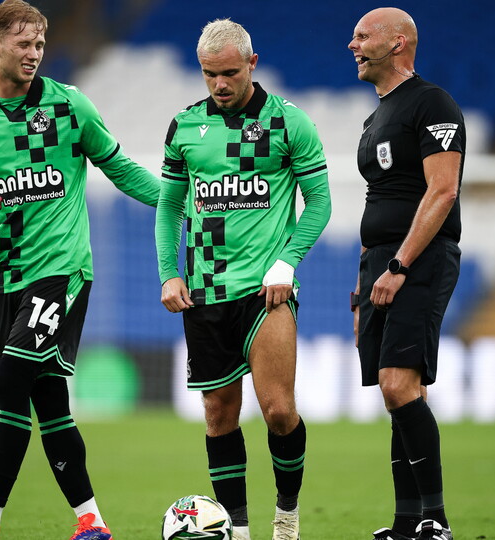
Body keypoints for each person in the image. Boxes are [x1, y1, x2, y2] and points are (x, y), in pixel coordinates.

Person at [0, 1, 160, 539]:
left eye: (41, 45)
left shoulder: (69, 107)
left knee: (13, 377)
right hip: (6, 277)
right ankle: (91, 521)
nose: (34, 54)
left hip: (62, 270)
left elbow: (117, 165)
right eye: (24, 45)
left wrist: (175, 200)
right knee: (47, 403)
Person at [155, 18, 331, 540]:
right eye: (209, 74)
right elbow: (168, 209)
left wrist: (288, 261)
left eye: (230, 72)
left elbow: (319, 203)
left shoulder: (288, 122)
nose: (220, 85)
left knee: (278, 411)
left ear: (252, 64)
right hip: (205, 293)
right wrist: (170, 274)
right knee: (218, 416)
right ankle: (238, 532)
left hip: (265, 291)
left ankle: (287, 516)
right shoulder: (184, 127)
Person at [348, 8, 465, 540]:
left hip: (418, 260)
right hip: (380, 264)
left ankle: (435, 520)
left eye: (362, 36)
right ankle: (405, 522)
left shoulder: (432, 103)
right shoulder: (376, 116)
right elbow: (379, 202)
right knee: (397, 391)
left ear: (398, 44)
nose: (352, 45)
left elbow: (442, 191)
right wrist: (362, 287)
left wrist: (399, 265)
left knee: (399, 386)